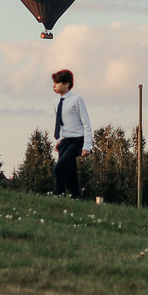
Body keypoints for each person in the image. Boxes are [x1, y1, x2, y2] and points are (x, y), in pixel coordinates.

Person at [51, 68, 91, 198]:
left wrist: (86, 146)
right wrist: (59, 140)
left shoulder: (76, 100)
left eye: (57, 83)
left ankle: (60, 195)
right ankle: (76, 197)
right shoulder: (56, 103)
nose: (54, 86)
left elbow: (86, 123)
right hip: (65, 141)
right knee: (70, 172)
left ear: (67, 84)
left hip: (77, 140)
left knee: (59, 168)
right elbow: (61, 123)